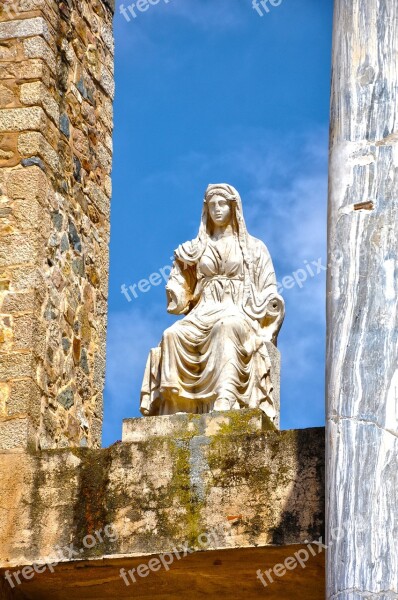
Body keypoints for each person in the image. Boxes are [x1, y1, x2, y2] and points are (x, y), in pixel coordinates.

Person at [140, 183, 284, 420]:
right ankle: (177, 404)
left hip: (239, 310)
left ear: (233, 207)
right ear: (206, 209)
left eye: (222, 204)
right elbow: (181, 289)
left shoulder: (254, 248)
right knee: (172, 335)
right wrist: (179, 275)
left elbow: (268, 288)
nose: (217, 209)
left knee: (225, 328)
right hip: (203, 310)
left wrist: (270, 304)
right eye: (212, 205)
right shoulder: (196, 249)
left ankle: (225, 396)